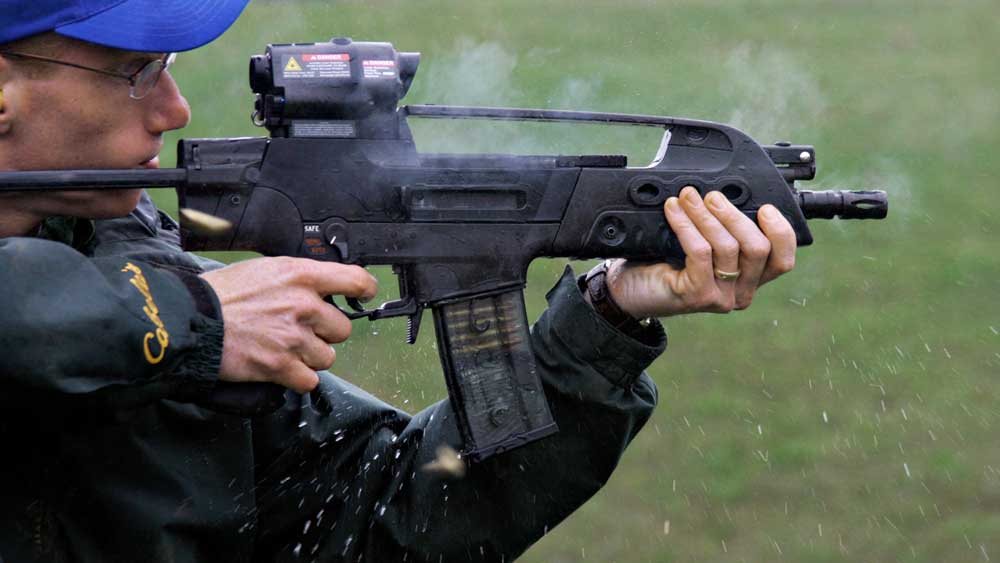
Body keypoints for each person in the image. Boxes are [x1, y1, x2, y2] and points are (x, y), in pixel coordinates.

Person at [0, 1, 796, 561]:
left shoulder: (149, 279)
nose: (173, 109)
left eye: (166, 66)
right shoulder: (184, 312)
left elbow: (384, 519)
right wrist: (197, 319)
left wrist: (606, 319)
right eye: (136, 71)